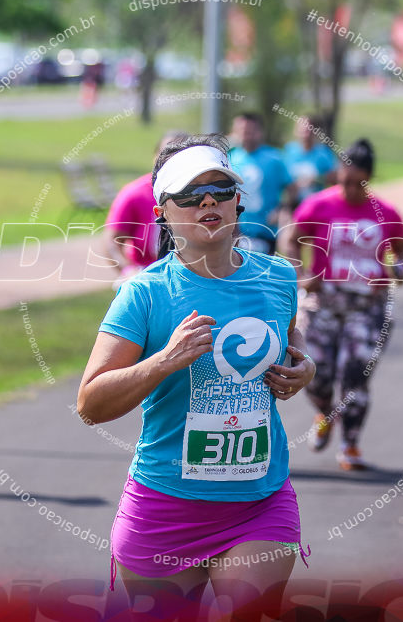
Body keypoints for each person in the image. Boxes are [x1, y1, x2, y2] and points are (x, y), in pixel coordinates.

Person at [77, 134, 315, 620]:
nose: (207, 200)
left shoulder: (278, 278)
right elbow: (90, 404)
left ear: (238, 201)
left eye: (220, 189)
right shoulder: (144, 294)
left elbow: (292, 348)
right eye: (189, 193)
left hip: (258, 502)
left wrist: (302, 370)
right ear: (162, 210)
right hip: (165, 506)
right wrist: (164, 361)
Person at [285, 139, 403, 470]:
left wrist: (399, 267)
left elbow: (401, 248)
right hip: (322, 303)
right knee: (315, 374)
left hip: (367, 308)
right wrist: (299, 274)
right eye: (344, 181)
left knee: (355, 375)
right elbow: (291, 239)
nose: (350, 189)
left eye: (358, 183)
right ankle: (325, 413)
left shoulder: (387, 212)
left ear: (370, 178)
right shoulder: (318, 206)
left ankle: (350, 445)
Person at [102, 131, 189, 285]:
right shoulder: (135, 193)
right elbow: (112, 242)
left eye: (180, 155)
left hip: (191, 280)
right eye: (166, 153)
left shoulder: (205, 194)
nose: (171, 160)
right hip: (148, 281)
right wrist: (130, 272)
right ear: (155, 157)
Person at [228, 113, 291, 254]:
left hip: (267, 230)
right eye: (241, 131)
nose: (245, 135)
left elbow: (291, 190)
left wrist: (281, 209)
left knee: (265, 273)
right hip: (237, 231)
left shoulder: (274, 158)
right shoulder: (229, 158)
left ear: (259, 132)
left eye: (249, 131)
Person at [283, 115, 337, 209]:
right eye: (302, 128)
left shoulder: (323, 154)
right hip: (293, 205)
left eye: (309, 129)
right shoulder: (289, 151)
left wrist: (316, 179)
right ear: (296, 130)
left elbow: (335, 178)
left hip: (316, 206)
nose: (305, 133)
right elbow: (281, 177)